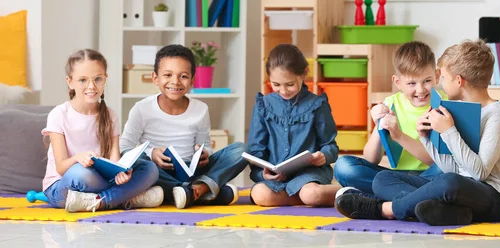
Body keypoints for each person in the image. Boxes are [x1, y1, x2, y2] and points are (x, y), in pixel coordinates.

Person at [335, 40, 500, 226]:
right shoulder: (462, 109)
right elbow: (453, 167)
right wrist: (425, 137)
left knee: (449, 181)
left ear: (458, 81)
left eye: (444, 78)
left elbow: (479, 173)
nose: (440, 83)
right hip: (458, 192)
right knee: (384, 179)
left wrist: (449, 131)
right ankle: (448, 212)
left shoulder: (498, 116)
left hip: (493, 198)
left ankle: (385, 209)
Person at [120, 44, 248, 209]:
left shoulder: (201, 109)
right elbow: (124, 147)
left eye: (183, 76)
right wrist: (151, 153)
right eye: (168, 75)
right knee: (139, 163)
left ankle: (194, 190)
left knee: (242, 150)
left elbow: (206, 146)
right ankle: (203, 191)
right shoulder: (141, 109)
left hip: (193, 170)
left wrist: (204, 153)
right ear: (155, 78)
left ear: (192, 80)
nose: (175, 82)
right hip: (159, 172)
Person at [43, 49, 162, 212]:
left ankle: (101, 201)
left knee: (150, 169)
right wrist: (78, 158)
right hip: (63, 186)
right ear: (70, 82)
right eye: (82, 80)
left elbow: (115, 162)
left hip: (101, 180)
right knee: (81, 174)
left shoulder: (110, 115)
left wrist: (120, 174)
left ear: (105, 79)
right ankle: (125, 197)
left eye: (97, 79)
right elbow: (61, 168)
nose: (91, 86)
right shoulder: (59, 114)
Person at [334, 42, 443, 195]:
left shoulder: (444, 104)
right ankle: (415, 195)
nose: (420, 89)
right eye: (412, 83)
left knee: (448, 170)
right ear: (397, 82)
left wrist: (399, 136)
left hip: (430, 175)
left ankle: (393, 195)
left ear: (437, 76)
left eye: (427, 81)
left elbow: (435, 161)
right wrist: (379, 126)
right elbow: (371, 159)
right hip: (394, 176)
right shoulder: (391, 103)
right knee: (343, 166)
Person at [248, 44, 340, 206]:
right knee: (259, 194)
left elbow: (330, 145)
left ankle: (342, 192)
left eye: (289, 84)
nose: (283, 91)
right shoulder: (264, 104)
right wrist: (263, 175)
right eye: (276, 85)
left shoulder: (317, 104)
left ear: (304, 73)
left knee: (310, 192)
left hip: (309, 175)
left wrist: (323, 156)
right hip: (276, 179)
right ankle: (305, 198)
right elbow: (257, 150)